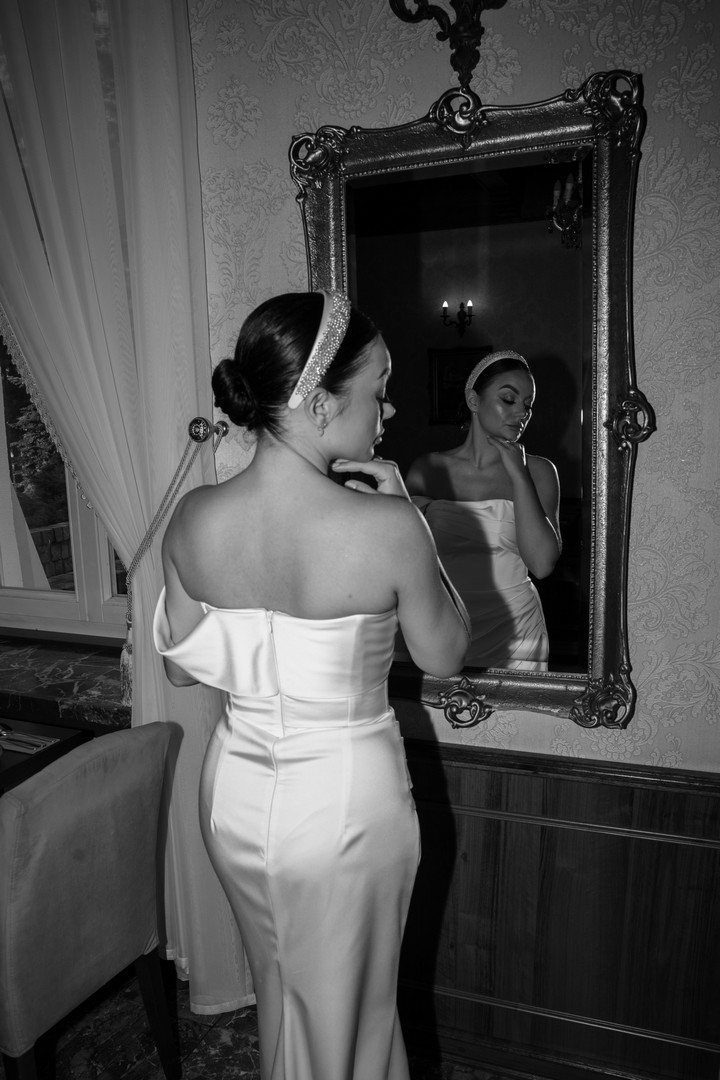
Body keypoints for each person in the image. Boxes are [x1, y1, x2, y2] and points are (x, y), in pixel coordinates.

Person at [153, 290, 470, 1080]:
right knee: (350, 1009)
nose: (389, 409)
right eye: (379, 388)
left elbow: (177, 666)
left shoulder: (192, 519)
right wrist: (412, 519)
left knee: (284, 988)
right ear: (320, 401)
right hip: (344, 806)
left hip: (235, 794)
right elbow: (445, 655)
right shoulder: (386, 528)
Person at [406, 349, 561, 670]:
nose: (522, 412)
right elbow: (407, 562)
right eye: (509, 399)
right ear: (473, 400)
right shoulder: (428, 469)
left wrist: (519, 475)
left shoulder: (540, 472)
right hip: (442, 627)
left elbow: (542, 564)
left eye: (528, 404)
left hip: (518, 631)